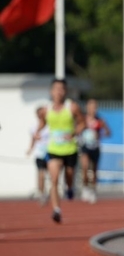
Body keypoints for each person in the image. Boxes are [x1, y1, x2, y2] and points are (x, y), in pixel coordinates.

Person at [36, 79, 85, 223]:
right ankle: (56, 209)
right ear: (51, 91)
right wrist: (38, 132)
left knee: (69, 177)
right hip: (53, 149)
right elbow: (42, 123)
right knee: (54, 179)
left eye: (62, 89)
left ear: (65, 91)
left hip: (70, 149)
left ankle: (70, 188)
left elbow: (82, 123)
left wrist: (74, 133)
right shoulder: (46, 109)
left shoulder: (72, 107)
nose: (59, 92)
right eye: (56, 89)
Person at [79, 99, 111, 204]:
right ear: (87, 108)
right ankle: (85, 187)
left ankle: (93, 190)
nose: (93, 109)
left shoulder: (99, 120)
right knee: (85, 168)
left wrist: (102, 133)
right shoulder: (83, 119)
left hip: (95, 147)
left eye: (94, 107)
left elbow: (108, 132)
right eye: (91, 107)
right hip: (85, 146)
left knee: (94, 171)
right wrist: (82, 127)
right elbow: (76, 130)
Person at [27, 106, 50, 205]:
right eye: (40, 114)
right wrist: (30, 149)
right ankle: (41, 193)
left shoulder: (50, 125)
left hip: (50, 153)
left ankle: (51, 192)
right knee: (41, 173)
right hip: (39, 154)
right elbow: (33, 139)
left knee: (51, 174)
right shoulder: (34, 127)